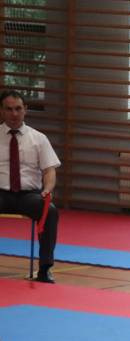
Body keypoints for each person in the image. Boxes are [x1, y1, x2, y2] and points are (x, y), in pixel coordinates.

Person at [0, 89, 60, 283]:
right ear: (2, 111)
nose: (14, 113)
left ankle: (45, 269)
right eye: (9, 109)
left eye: (18, 109)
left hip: (29, 195)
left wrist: (47, 189)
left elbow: (49, 170)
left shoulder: (38, 138)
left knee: (50, 211)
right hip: (1, 193)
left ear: (25, 109)